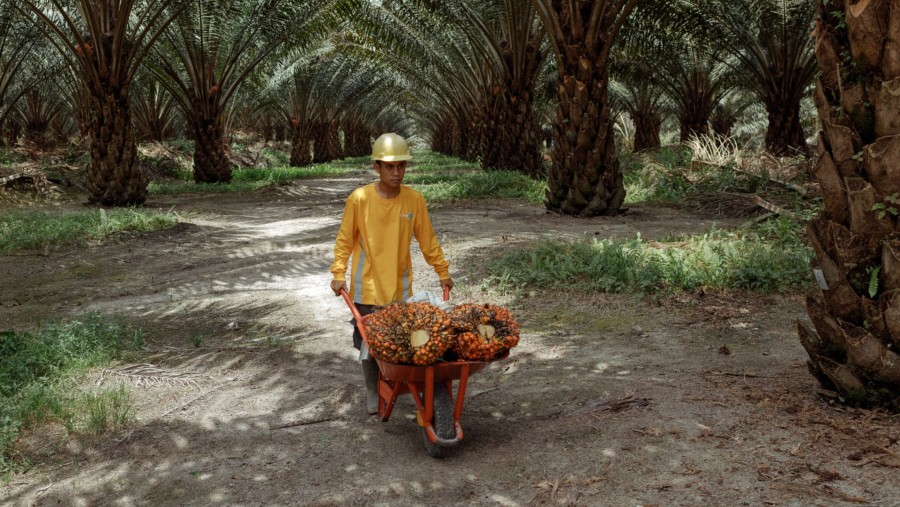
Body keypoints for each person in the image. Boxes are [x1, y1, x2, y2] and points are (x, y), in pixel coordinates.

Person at [330, 132, 454, 414]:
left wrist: (442, 271)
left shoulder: (413, 201)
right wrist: (338, 273)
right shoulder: (360, 200)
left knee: (400, 340)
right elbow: (344, 241)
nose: (396, 172)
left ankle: (397, 383)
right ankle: (373, 390)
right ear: (377, 167)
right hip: (367, 287)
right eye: (389, 167)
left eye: (401, 166)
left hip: (399, 288)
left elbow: (428, 240)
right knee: (368, 342)